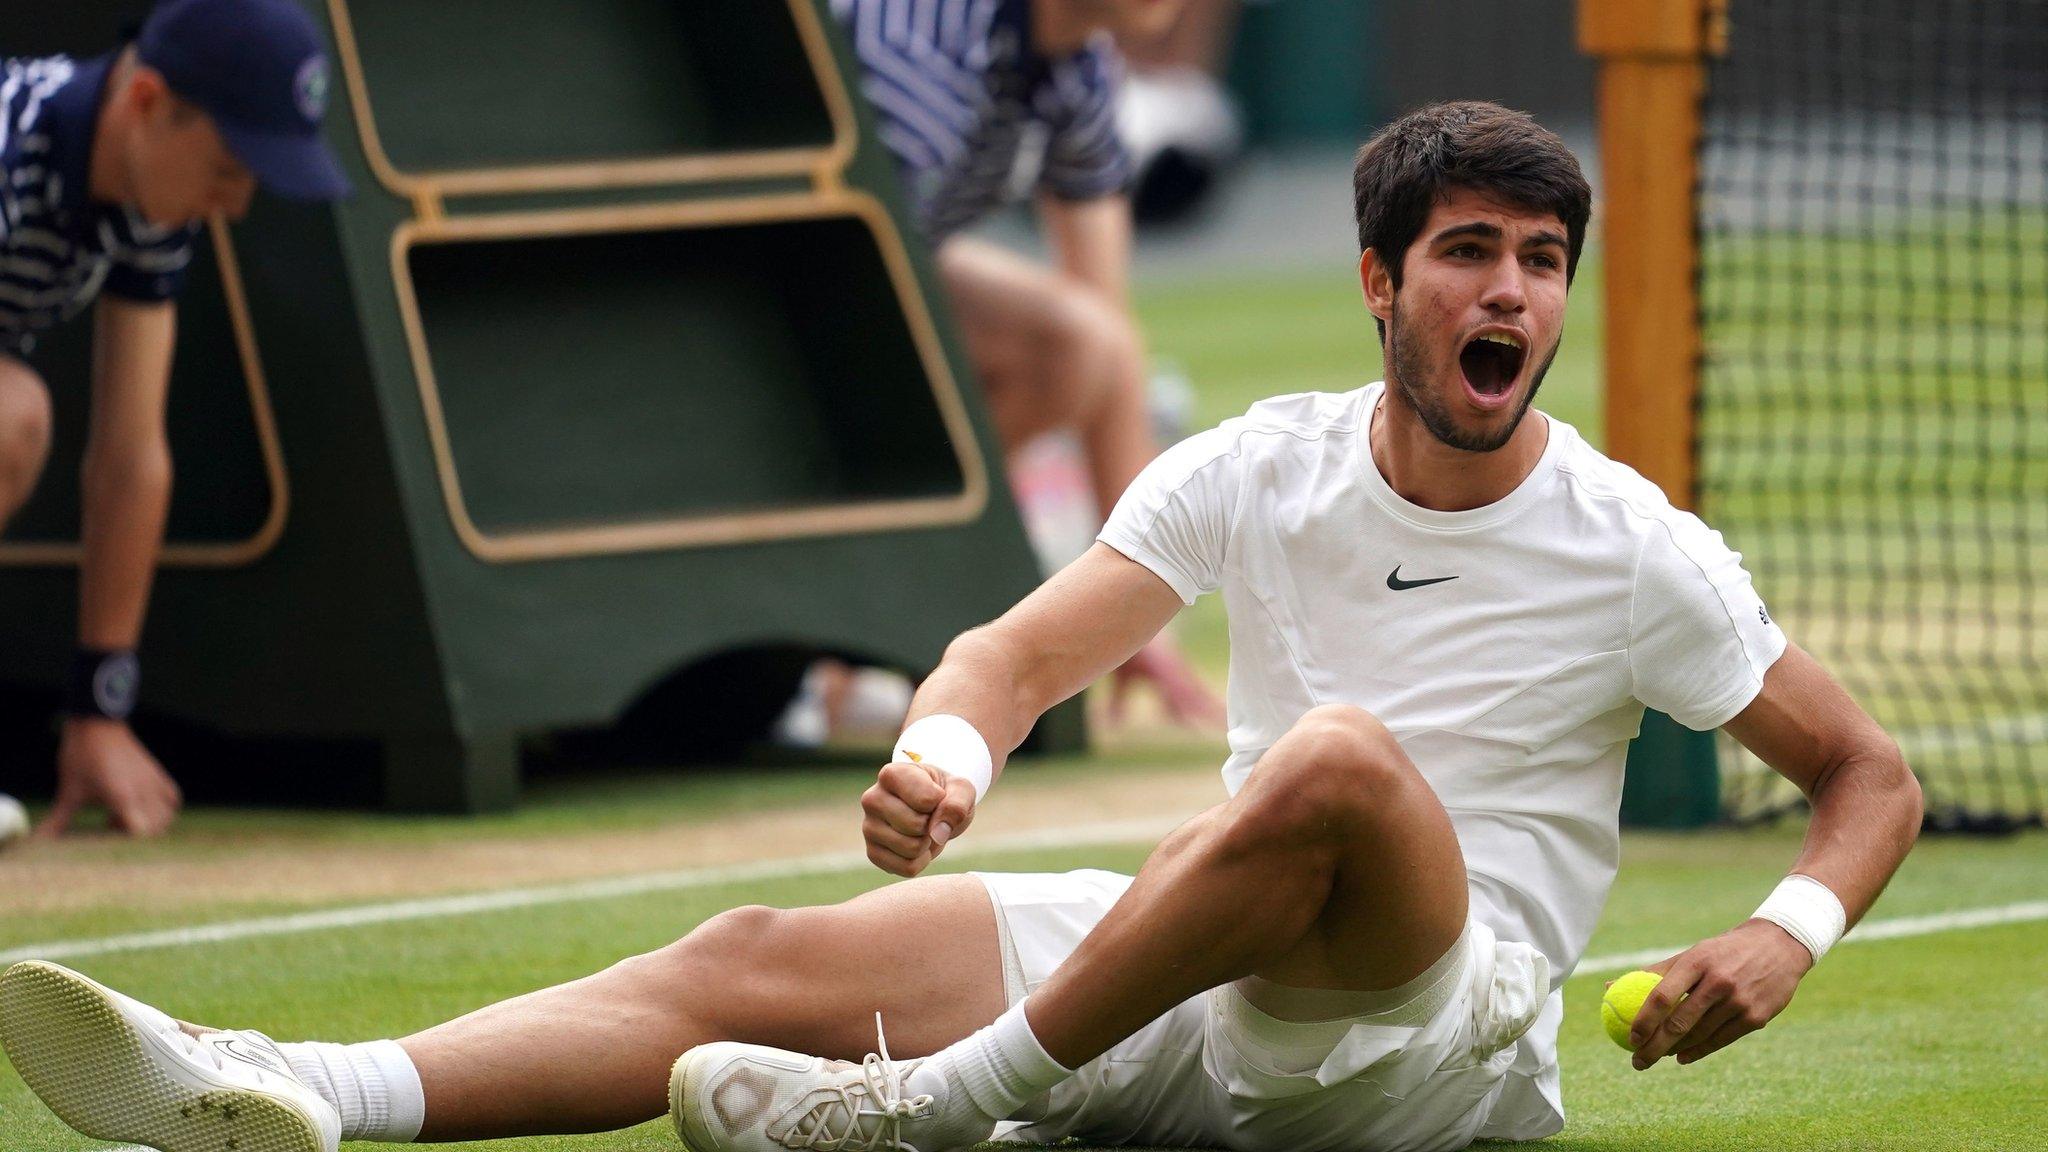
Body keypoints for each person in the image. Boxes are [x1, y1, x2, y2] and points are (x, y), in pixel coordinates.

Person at [0, 102, 1924, 1152]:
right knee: (758, 948)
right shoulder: (1259, 469)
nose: (1510, 291)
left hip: (1442, 1032)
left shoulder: (1627, 542)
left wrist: (1782, 922)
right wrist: (942, 753)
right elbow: (1006, 657)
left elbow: (1862, 774)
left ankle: (933, 1112)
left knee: (1339, 759)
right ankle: (298, 1087)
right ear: (1377, 283)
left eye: (1538, 261)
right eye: (1468, 252)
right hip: (1208, 956)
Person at [816, 0, 1221, 728]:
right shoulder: (914, 36)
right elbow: (839, 263)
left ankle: (862, 622)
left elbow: (1109, 327)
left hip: (881, 273)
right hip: (774, 291)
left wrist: (1129, 612)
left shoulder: (1080, 60)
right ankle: (826, 638)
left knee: (1078, 347)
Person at [0, 0, 349, 838]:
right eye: (228, 167)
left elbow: (130, 454)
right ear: (148, 102)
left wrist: (100, 710)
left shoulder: (145, 206)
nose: (234, 204)